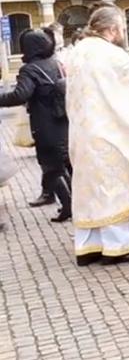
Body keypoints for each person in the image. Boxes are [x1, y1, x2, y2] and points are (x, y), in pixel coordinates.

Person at [65, 6, 129, 266]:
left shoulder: (78, 51)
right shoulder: (108, 53)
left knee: (91, 190)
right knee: (115, 188)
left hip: (83, 134)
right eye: (122, 29)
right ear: (111, 29)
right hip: (110, 133)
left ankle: (90, 245)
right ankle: (118, 245)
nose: (123, 33)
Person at [0, 29, 71, 223]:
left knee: (50, 167)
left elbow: (20, 95)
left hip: (44, 123)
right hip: (62, 119)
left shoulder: (29, 69)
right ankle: (73, 205)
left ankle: (68, 207)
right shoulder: (54, 63)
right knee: (64, 163)